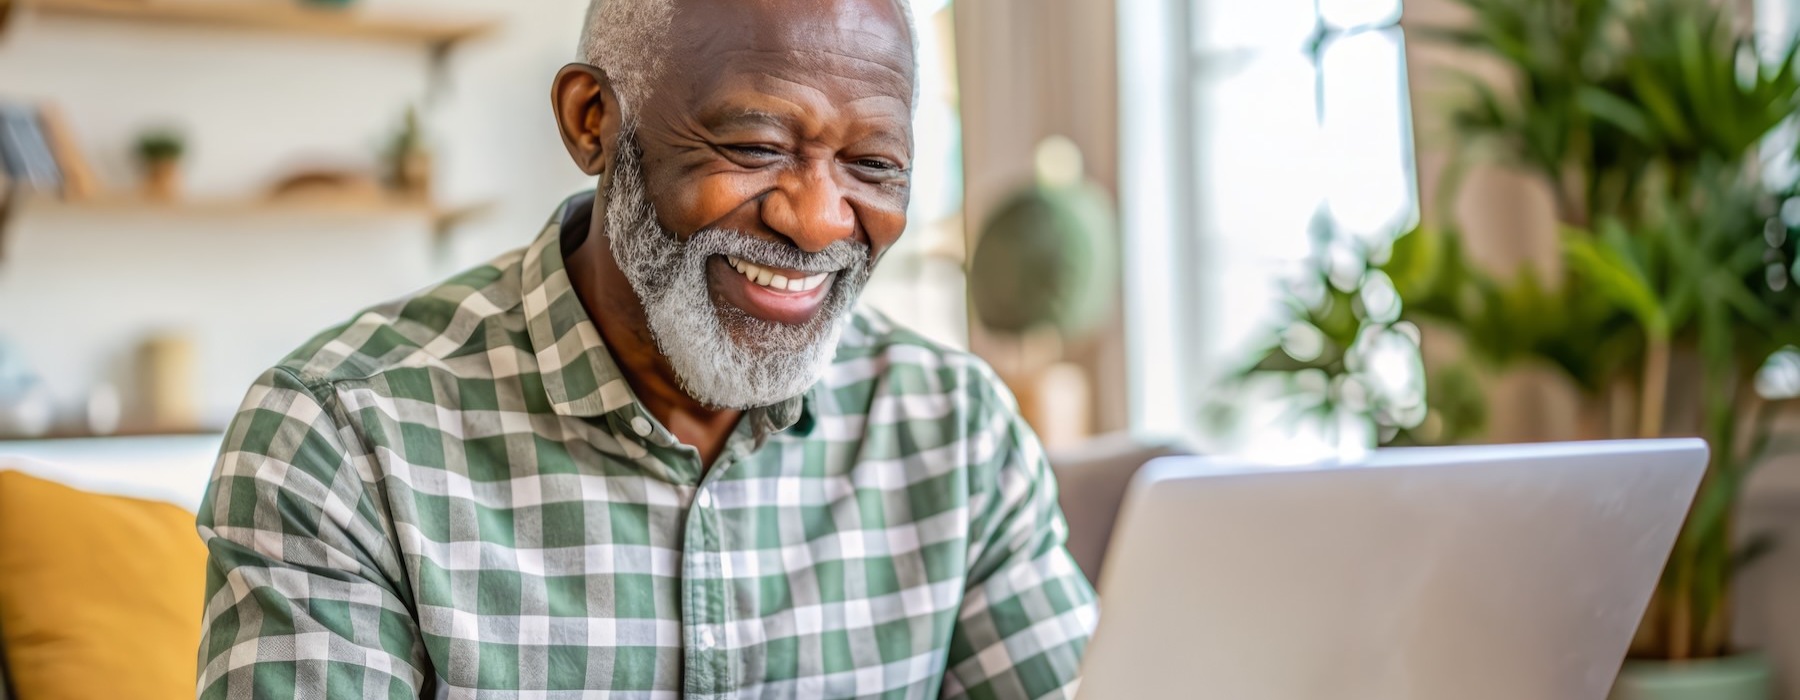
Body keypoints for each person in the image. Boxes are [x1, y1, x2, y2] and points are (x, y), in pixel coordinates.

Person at [193, 0, 1097, 697]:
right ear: (594, 121)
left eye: (873, 167)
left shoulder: (958, 432)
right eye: (754, 144)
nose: (820, 221)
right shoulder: (340, 437)